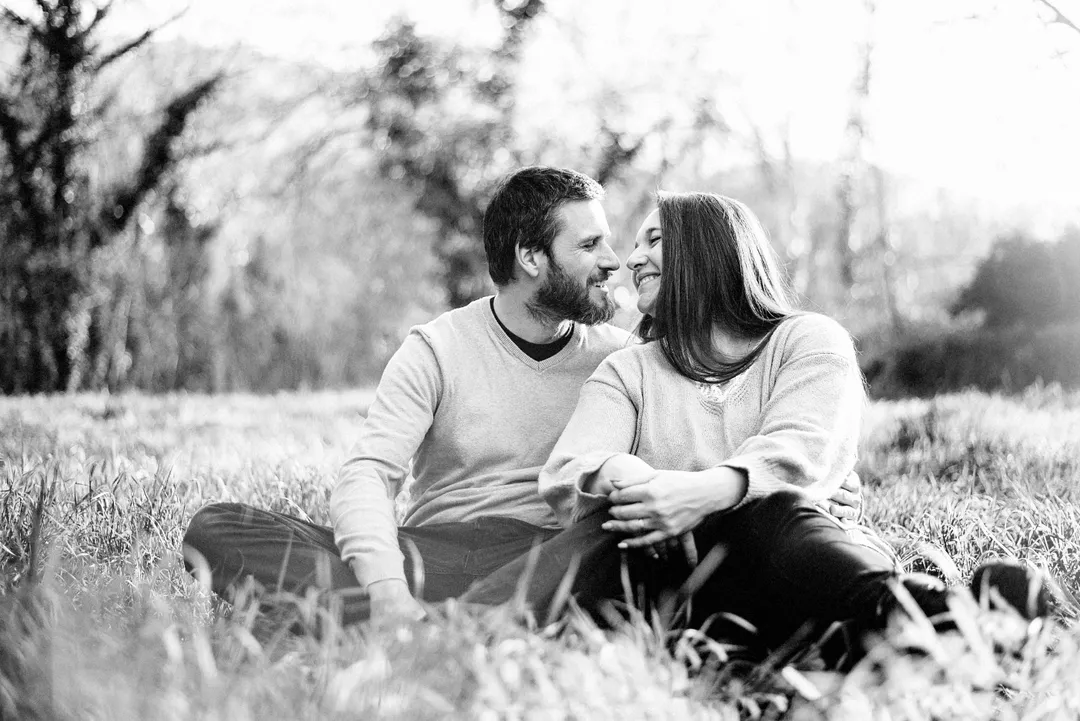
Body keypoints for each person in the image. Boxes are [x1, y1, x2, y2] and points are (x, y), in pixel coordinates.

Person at [181, 168, 862, 626]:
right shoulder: (439, 347)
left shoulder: (623, 356)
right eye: (591, 243)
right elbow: (368, 474)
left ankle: (435, 625)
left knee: (617, 542)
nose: (615, 262)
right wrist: (388, 586)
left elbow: (683, 458)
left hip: (563, 556)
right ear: (532, 258)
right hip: (435, 550)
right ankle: (415, 618)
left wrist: (806, 484)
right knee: (218, 527)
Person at [462, 192, 1050, 657]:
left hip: (798, 565)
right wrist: (633, 475)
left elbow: (801, 448)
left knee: (775, 512)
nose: (631, 258)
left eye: (655, 240)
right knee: (628, 536)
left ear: (708, 251)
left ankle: (934, 624)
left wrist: (702, 492)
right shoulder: (628, 370)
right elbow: (572, 468)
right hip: (684, 589)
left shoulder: (807, 340)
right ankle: (954, 623)